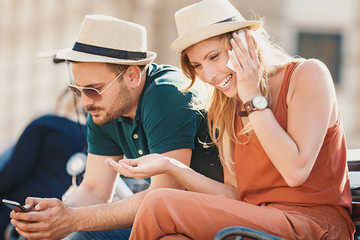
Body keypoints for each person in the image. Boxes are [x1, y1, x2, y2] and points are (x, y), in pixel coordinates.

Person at [104, 0, 355, 239]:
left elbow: (295, 172)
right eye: (198, 66)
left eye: (214, 57)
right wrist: (171, 166)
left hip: (313, 225)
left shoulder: (308, 74)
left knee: (157, 202)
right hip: (257, 222)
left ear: (245, 43)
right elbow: (234, 195)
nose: (209, 75)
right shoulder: (227, 106)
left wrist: (252, 96)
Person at [10, 14, 223, 240]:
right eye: (78, 91)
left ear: (132, 76)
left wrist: (71, 220)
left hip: (212, 217)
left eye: (93, 89)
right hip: (168, 217)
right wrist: (53, 214)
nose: (85, 102)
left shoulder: (166, 95)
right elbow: (94, 189)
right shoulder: (104, 109)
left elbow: (163, 196)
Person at [0, 89, 87, 239]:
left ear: (61, 103)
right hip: (65, 221)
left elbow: (12, 174)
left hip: (24, 214)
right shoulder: (98, 142)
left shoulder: (47, 123)